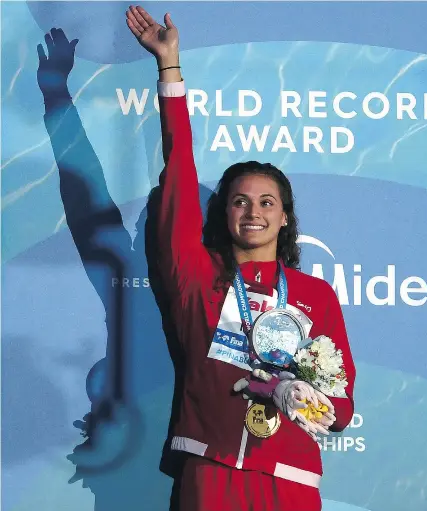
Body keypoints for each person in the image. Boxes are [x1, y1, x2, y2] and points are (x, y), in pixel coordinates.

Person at [126, 6, 356, 511]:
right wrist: (169, 68)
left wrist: (301, 393)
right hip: (212, 471)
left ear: (286, 219)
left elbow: (340, 411)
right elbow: (180, 169)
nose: (253, 212)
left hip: (291, 482)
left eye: (267, 202)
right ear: (224, 213)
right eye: (240, 200)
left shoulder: (315, 297)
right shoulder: (196, 274)